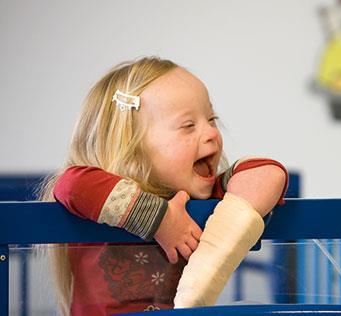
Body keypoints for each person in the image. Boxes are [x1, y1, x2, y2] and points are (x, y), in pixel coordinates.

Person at [38, 57, 288, 315]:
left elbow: (267, 174)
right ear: (131, 146)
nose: (212, 133)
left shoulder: (199, 197)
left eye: (211, 119)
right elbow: (71, 184)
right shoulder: (102, 199)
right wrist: (159, 219)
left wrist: (214, 254)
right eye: (188, 126)